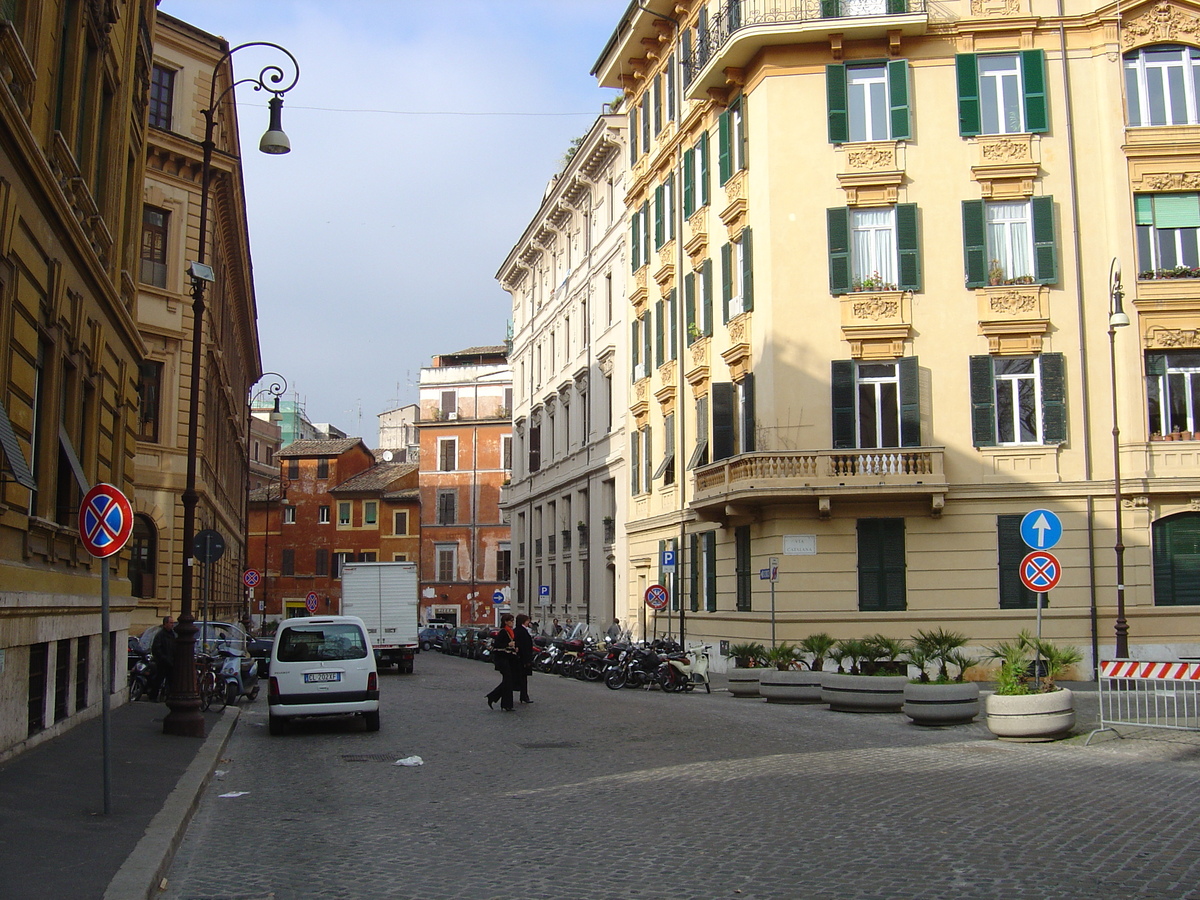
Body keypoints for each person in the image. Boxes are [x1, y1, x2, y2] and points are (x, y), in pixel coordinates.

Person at [485, 613, 518, 712]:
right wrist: (508, 644)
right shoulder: (503, 632)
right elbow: (498, 645)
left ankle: (493, 697)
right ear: (506, 622)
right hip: (502, 660)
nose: (512, 623)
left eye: (513, 621)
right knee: (508, 681)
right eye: (511, 621)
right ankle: (506, 704)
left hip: (509, 659)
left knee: (508, 681)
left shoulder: (510, 632)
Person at [149, 616, 175, 701]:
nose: (172, 625)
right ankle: (153, 696)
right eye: (171, 623)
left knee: (171, 680)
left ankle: (169, 696)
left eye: (172, 623)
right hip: (162, 663)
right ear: (165, 624)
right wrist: (163, 658)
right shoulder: (160, 635)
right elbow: (156, 649)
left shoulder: (172, 634)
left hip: (171, 661)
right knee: (158, 680)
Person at [513, 613, 535, 704]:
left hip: (520, 658)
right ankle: (524, 696)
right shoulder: (522, 631)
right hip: (522, 659)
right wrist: (527, 660)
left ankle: (524, 696)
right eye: (527, 621)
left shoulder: (517, 630)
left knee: (521, 678)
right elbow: (525, 646)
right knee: (522, 678)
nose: (528, 622)